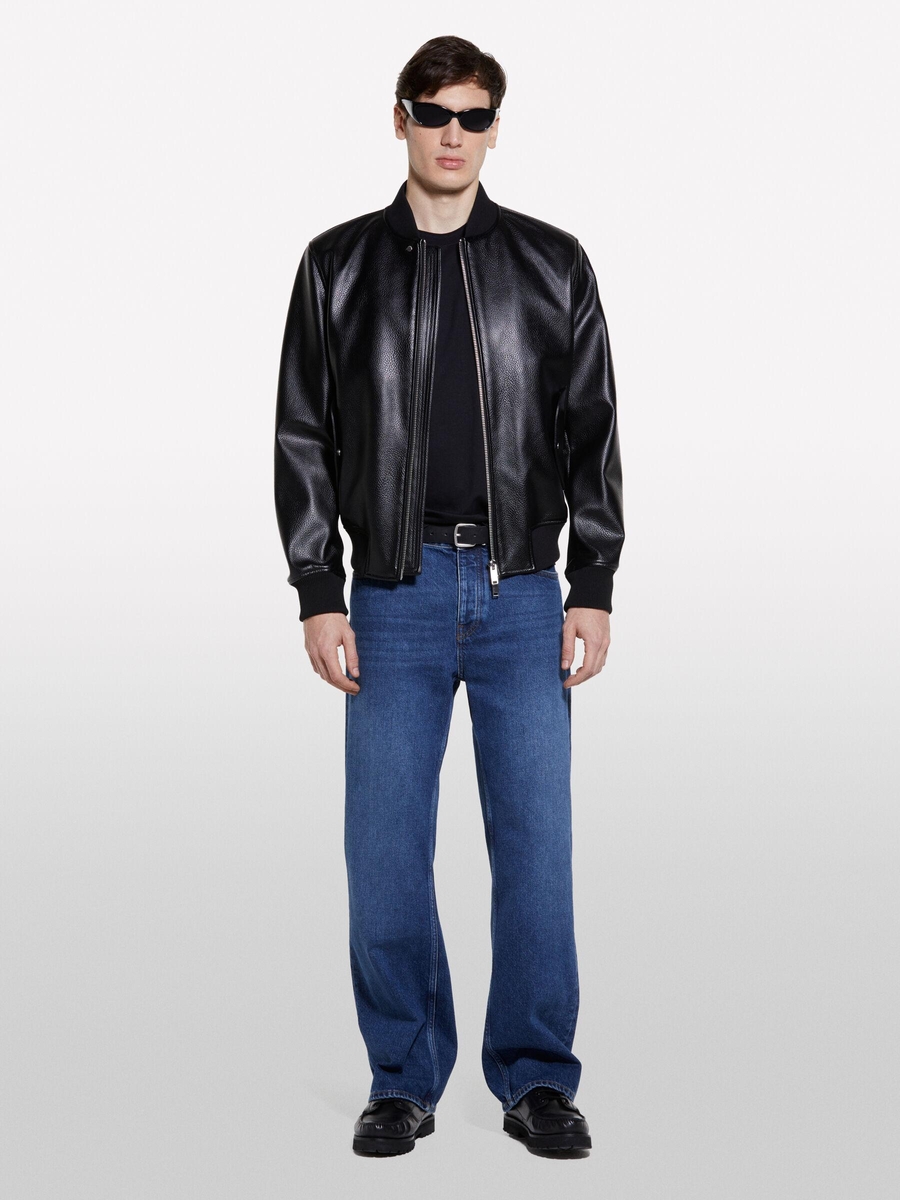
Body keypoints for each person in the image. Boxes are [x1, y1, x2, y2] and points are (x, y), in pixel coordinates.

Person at [273, 35, 624, 1157]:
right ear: (401, 120)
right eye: (434, 114)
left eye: (473, 115)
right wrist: (317, 587)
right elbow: (303, 434)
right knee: (383, 857)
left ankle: (536, 1078)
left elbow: (591, 430)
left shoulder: (552, 264)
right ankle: (403, 1076)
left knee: (537, 855)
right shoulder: (336, 266)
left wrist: (594, 579)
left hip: (522, 595)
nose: (453, 134)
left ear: (495, 127)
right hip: (393, 594)